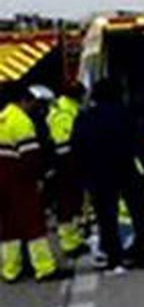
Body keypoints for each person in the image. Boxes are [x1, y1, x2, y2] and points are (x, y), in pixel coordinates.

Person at [71, 79, 144, 273]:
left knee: (106, 217)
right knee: (139, 211)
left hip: (98, 173)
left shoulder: (85, 118)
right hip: (126, 168)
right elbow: (139, 141)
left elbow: (77, 148)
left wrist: (83, 175)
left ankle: (114, 258)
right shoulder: (125, 114)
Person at [0, 86, 65, 282]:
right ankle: (44, 267)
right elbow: (30, 156)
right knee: (33, 224)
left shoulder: (1, 118)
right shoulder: (21, 121)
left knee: (8, 227)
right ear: (24, 101)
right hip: (20, 181)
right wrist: (41, 177)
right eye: (33, 103)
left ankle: (11, 270)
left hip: (1, 181)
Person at [44, 82, 88, 256]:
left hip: (66, 162)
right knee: (67, 204)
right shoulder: (64, 111)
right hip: (66, 164)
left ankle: (74, 239)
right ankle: (70, 243)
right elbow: (64, 143)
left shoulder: (67, 108)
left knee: (72, 203)